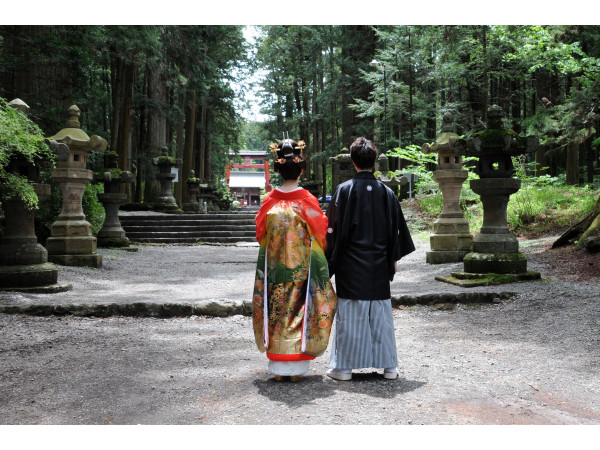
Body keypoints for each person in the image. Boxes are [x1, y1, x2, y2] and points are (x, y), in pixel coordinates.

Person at [325, 137, 415, 381]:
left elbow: (332, 230)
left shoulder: (344, 191)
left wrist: (328, 263)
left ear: (354, 162)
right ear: (373, 163)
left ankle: (344, 369)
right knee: (381, 316)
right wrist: (392, 259)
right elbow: (396, 232)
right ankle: (389, 368)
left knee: (351, 315)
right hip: (378, 264)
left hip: (351, 264)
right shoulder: (386, 193)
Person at [252, 138, 338, 381]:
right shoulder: (307, 200)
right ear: (301, 169)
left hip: (275, 266)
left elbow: (261, 232)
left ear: (278, 170)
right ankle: (296, 369)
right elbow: (320, 230)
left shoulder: (270, 200)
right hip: (302, 266)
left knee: (276, 309)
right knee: (300, 309)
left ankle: (278, 367)